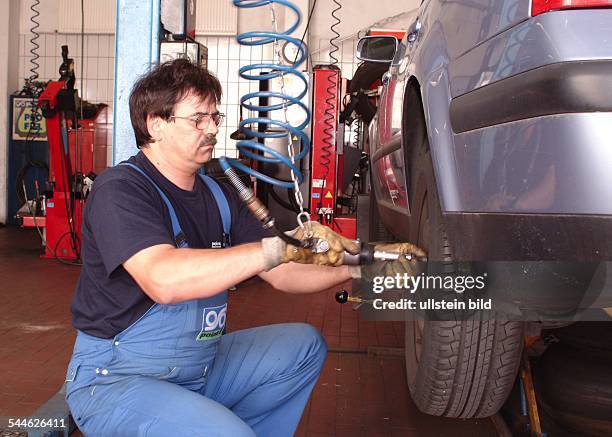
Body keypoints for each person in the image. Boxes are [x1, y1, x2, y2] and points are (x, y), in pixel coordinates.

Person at [64, 58, 421, 437]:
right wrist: (279, 249)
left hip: (198, 368)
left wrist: (359, 266)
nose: (212, 129)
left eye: (215, 117)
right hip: (118, 378)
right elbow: (162, 279)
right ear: (155, 124)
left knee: (301, 349)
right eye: (198, 119)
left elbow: (283, 272)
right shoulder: (122, 190)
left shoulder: (220, 195)